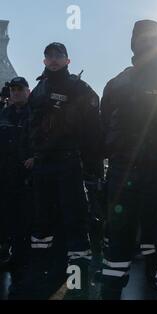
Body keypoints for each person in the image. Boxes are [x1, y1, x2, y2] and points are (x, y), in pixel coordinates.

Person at [100, 20, 157, 300]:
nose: (147, 42)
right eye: (141, 38)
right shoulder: (116, 83)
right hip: (122, 173)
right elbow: (103, 128)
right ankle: (111, 292)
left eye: (153, 38)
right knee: (118, 239)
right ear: (133, 43)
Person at [27, 42, 102, 299]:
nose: (54, 59)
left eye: (59, 55)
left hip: (69, 163)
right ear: (44, 61)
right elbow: (29, 126)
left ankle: (77, 283)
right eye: (49, 55)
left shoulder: (80, 88)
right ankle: (44, 275)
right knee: (42, 221)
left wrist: (92, 166)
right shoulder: (38, 89)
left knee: (75, 220)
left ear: (68, 60)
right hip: (43, 165)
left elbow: (94, 129)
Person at [0, 77, 34, 298]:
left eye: (20, 89)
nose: (16, 93)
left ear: (27, 91)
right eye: (13, 90)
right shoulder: (4, 115)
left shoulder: (35, 114)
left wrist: (36, 157)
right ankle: (7, 252)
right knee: (5, 216)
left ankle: (22, 259)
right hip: (5, 175)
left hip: (27, 176)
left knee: (24, 219)